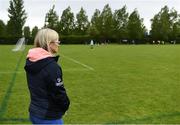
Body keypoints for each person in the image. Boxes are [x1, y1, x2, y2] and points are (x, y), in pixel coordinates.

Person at [24, 28, 70, 124]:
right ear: (49, 43)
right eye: (57, 41)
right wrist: (65, 107)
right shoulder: (51, 66)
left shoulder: (31, 60)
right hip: (49, 117)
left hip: (34, 112)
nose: (58, 44)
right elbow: (58, 93)